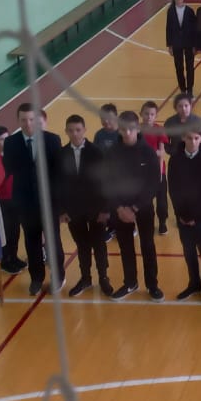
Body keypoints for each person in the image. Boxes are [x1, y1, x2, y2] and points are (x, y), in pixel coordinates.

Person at [1, 104, 63, 292]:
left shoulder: (52, 140)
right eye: (23, 120)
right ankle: (36, 278)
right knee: (31, 242)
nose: (28, 124)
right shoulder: (11, 143)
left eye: (31, 119)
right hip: (25, 205)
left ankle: (58, 277)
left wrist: (61, 205)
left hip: (49, 204)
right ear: (18, 121)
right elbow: (8, 170)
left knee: (53, 242)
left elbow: (59, 173)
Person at [106, 111, 163, 301]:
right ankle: (130, 282)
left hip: (143, 208)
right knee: (126, 247)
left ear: (137, 128)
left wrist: (135, 208)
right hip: (120, 210)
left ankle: (152, 285)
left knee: (148, 246)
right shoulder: (112, 153)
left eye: (131, 129)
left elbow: (153, 183)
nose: (127, 133)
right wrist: (119, 208)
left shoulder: (148, 152)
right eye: (123, 129)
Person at [56, 114, 109, 296]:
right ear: (66, 132)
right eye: (71, 130)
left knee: (99, 245)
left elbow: (106, 182)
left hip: (96, 209)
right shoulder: (61, 154)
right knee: (82, 245)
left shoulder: (97, 152)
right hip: (73, 210)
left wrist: (105, 209)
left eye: (78, 130)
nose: (75, 134)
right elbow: (58, 184)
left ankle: (103, 278)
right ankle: (85, 278)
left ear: (85, 130)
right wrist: (62, 210)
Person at [168, 129, 201, 302]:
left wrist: (194, 216)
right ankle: (194, 284)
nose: (193, 142)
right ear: (183, 137)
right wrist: (181, 214)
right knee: (189, 252)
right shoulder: (175, 160)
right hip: (183, 217)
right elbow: (173, 189)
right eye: (189, 138)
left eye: (196, 138)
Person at [140, 101, 171, 235]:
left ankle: (162, 222)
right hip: (142, 172)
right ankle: (149, 223)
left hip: (159, 171)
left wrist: (160, 173)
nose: (149, 117)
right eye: (146, 114)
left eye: (152, 114)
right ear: (141, 114)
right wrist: (153, 152)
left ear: (156, 116)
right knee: (146, 201)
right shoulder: (137, 130)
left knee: (162, 201)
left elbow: (161, 153)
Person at [164, 0, 199, 95]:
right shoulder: (170, 11)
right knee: (179, 67)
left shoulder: (189, 11)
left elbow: (194, 29)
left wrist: (195, 45)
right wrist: (169, 45)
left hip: (189, 43)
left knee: (190, 67)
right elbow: (168, 28)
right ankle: (183, 89)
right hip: (176, 44)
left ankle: (190, 90)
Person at [163, 93, 201, 158]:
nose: (183, 109)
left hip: (196, 157)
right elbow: (165, 140)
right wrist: (172, 151)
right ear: (175, 108)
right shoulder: (170, 122)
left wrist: (199, 149)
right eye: (180, 106)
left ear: (190, 106)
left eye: (186, 105)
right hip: (177, 157)